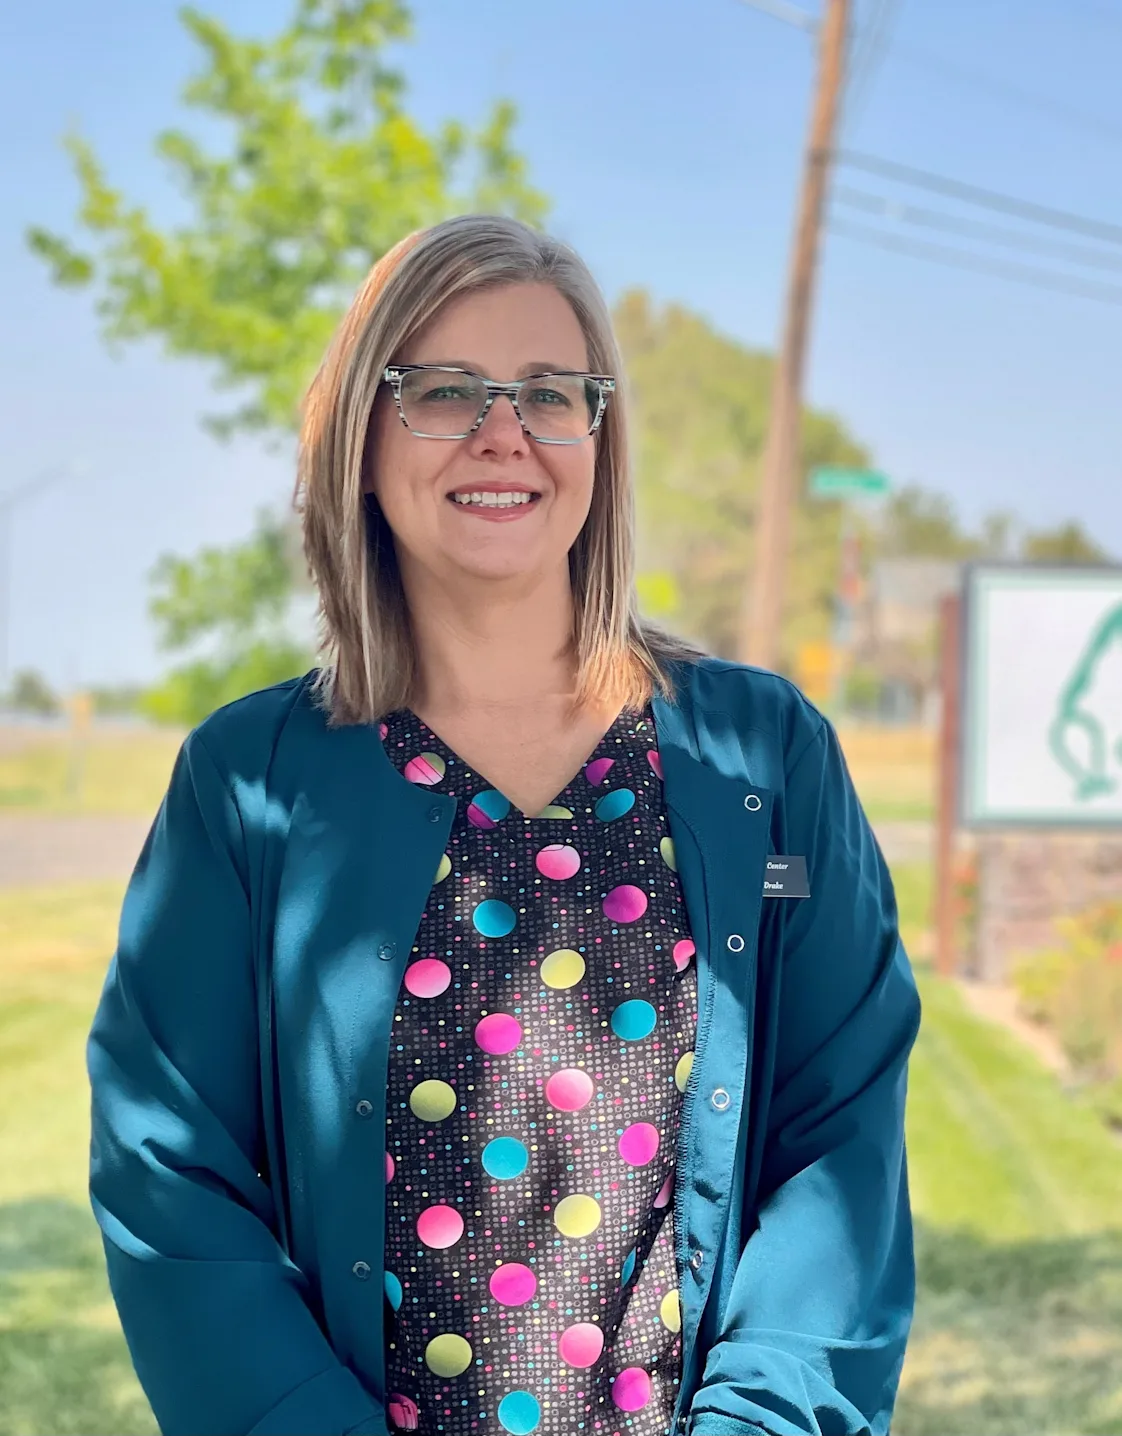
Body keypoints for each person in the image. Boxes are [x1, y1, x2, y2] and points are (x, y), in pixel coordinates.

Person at [87, 214, 921, 1436]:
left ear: (600, 436)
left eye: (548, 391)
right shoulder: (251, 781)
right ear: (362, 443)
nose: (503, 432)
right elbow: (171, 1171)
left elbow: (839, 1135)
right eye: (442, 389)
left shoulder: (764, 758)